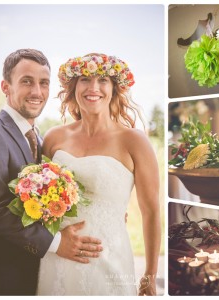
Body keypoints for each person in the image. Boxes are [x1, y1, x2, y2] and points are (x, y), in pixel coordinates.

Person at [37, 53, 161, 296]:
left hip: (108, 257)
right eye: (85, 79)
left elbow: (152, 212)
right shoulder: (53, 137)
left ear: (114, 89)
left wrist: (150, 274)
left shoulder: (134, 140)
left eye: (103, 80)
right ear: (74, 87)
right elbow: (38, 199)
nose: (93, 88)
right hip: (57, 257)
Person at [0, 49, 103, 295]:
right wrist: (57, 244)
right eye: (27, 81)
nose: (37, 92)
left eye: (43, 83)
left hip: (38, 270)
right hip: (4, 272)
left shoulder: (38, 136)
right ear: (6, 87)